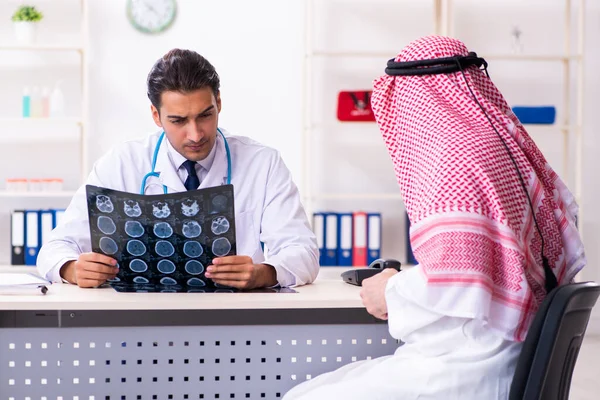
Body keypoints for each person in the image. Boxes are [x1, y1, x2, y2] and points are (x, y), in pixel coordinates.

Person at [283, 35, 585, 399]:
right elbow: (478, 266)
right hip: (503, 359)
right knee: (322, 387)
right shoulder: (504, 146)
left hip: (469, 369)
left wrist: (390, 290)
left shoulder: (456, 162)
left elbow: (456, 289)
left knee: (304, 396)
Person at [37, 49, 319, 289]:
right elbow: (54, 248)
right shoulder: (122, 163)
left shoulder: (263, 164)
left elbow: (303, 252)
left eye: (205, 116)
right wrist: (71, 269)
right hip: (138, 324)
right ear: (156, 116)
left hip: (235, 323)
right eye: (179, 120)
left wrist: (263, 273)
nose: (195, 134)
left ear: (218, 103)